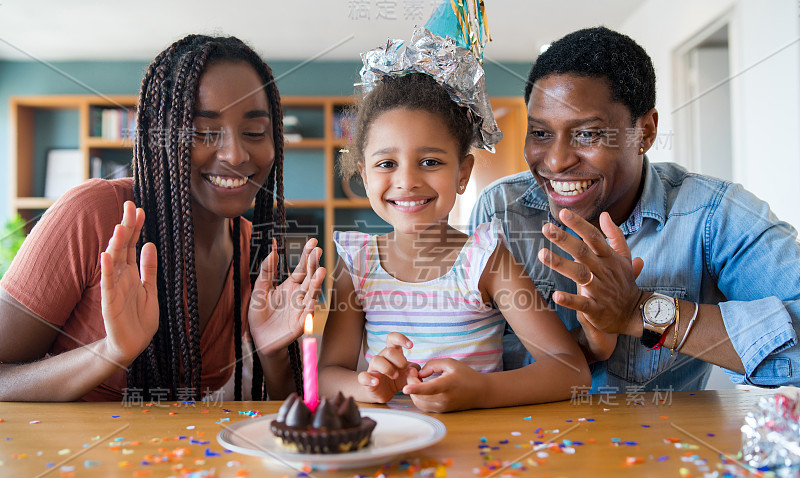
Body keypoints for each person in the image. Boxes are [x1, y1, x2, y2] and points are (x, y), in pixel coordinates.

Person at [470, 26, 800, 392]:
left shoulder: (711, 215)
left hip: (660, 445)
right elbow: (478, 351)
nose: (557, 161)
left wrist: (640, 311)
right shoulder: (501, 209)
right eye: (541, 133)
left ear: (644, 132)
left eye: (587, 134)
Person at [0, 35, 326, 402]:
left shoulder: (254, 250)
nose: (235, 154)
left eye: (254, 132)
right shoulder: (92, 215)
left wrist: (271, 354)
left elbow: (292, 417)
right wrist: (110, 352)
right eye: (203, 132)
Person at [318, 53, 591, 412]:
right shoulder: (357, 266)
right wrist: (370, 384)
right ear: (365, 176)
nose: (407, 181)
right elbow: (326, 375)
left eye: (430, 162)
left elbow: (571, 371)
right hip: (389, 448)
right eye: (386, 164)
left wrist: (481, 390)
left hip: (478, 453)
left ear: (462, 173)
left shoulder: (486, 261)